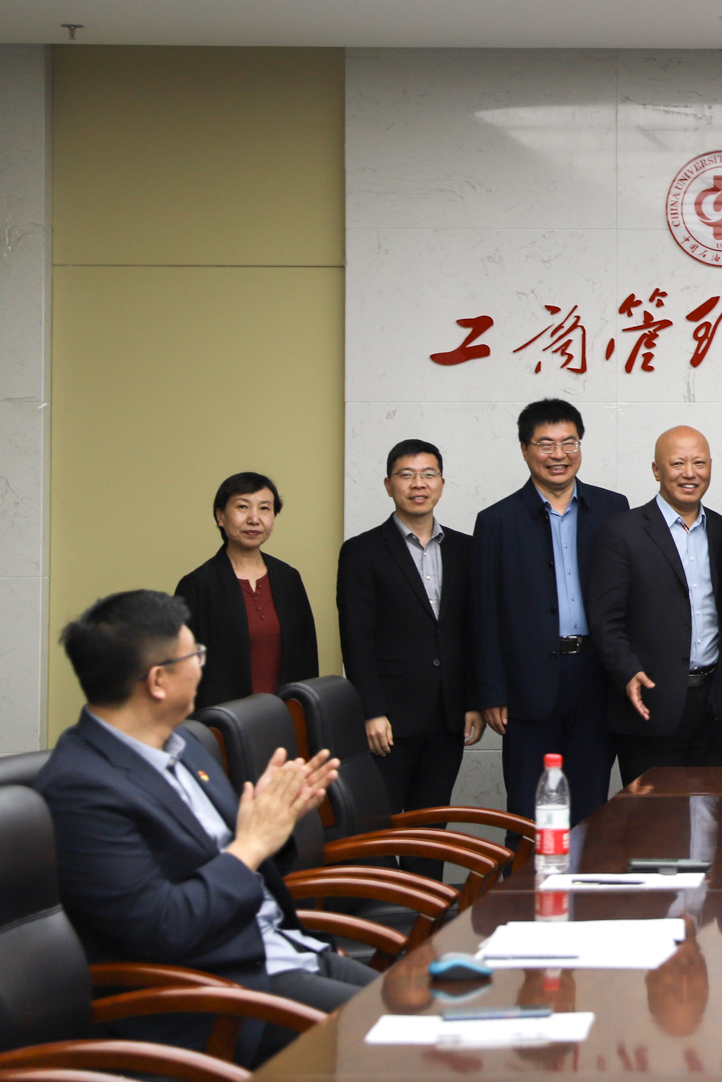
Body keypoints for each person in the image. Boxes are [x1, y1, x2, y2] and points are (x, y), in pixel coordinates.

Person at [35, 590, 372, 1064]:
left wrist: (276, 822)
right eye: (194, 654)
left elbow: (234, 864)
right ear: (158, 681)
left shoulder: (183, 745)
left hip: (277, 949)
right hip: (217, 996)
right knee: (406, 1042)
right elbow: (163, 928)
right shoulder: (81, 789)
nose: (201, 664)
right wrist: (250, 844)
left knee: (432, 1008)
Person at [471, 398, 628, 820]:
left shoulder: (613, 509)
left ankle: (582, 866)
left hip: (597, 677)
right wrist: (492, 691)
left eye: (569, 442)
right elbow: (484, 614)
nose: (559, 454)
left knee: (590, 805)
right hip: (527, 683)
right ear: (525, 450)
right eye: (545, 444)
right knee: (530, 808)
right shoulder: (497, 521)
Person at [335, 439, 481, 856]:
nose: (419, 484)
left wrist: (473, 701)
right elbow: (356, 637)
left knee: (432, 828)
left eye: (428, 474)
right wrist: (371, 711)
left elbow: (473, 631)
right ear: (388, 485)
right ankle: (384, 901)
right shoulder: (362, 551)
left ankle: (428, 901)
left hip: (448, 715)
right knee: (379, 829)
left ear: (441, 484)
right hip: (390, 718)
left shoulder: (466, 549)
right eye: (407, 475)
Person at [589, 426, 722, 780]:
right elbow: (605, 619)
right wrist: (627, 671)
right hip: (650, 702)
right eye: (677, 463)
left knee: (712, 808)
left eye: (699, 463)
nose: (690, 473)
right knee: (652, 813)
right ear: (656, 470)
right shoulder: (622, 531)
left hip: (712, 706)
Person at [175, 472, 320, 709]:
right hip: (222, 722)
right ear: (220, 516)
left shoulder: (288, 578)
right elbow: (183, 667)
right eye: (243, 507)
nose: (254, 519)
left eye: (264, 508)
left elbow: (307, 658)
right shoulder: (198, 585)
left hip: (287, 718)